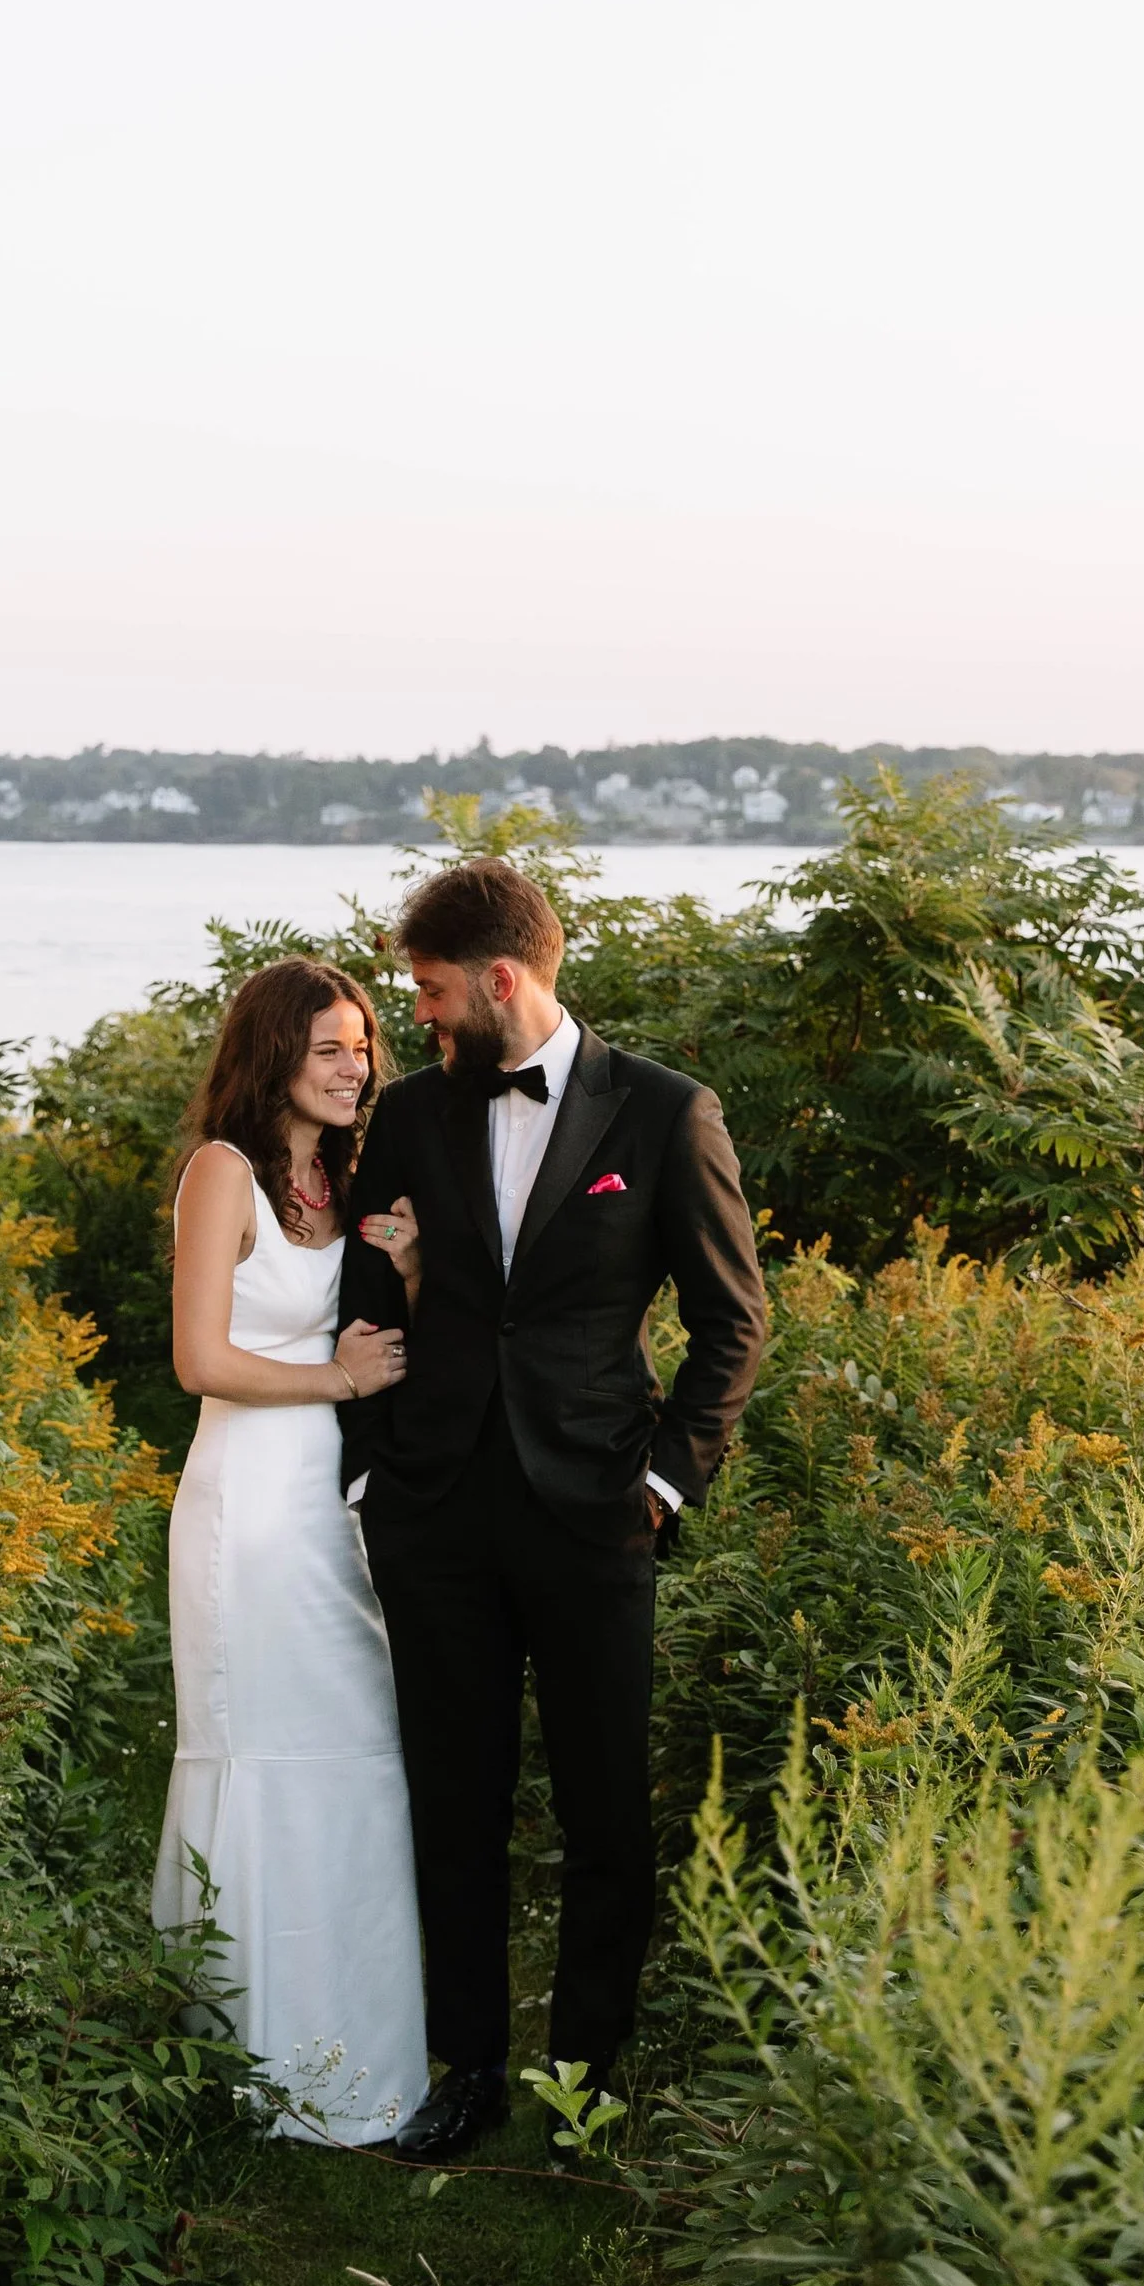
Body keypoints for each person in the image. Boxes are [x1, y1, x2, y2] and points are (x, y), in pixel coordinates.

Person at [337, 857, 768, 2165]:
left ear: (500, 978)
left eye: (428, 991)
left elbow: (731, 1320)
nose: (419, 1015)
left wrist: (661, 1480)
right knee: (451, 1800)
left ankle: (585, 2086)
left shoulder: (663, 1113)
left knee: (602, 1812)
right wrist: (371, 1472)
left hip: (593, 1515)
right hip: (438, 1515)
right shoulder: (410, 1118)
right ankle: (466, 2076)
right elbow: (363, 1298)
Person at [151, 956, 430, 2144]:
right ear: (272, 1053)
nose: (355, 1066)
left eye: (362, 1045)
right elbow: (199, 1361)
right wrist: (333, 1376)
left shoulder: (348, 1176)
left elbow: (397, 1332)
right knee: (258, 1750)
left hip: (333, 1505)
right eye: (329, 1047)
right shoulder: (224, 1175)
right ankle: (240, 2054)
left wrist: (413, 1266)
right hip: (245, 1509)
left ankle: (360, 2046)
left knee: (359, 1750)